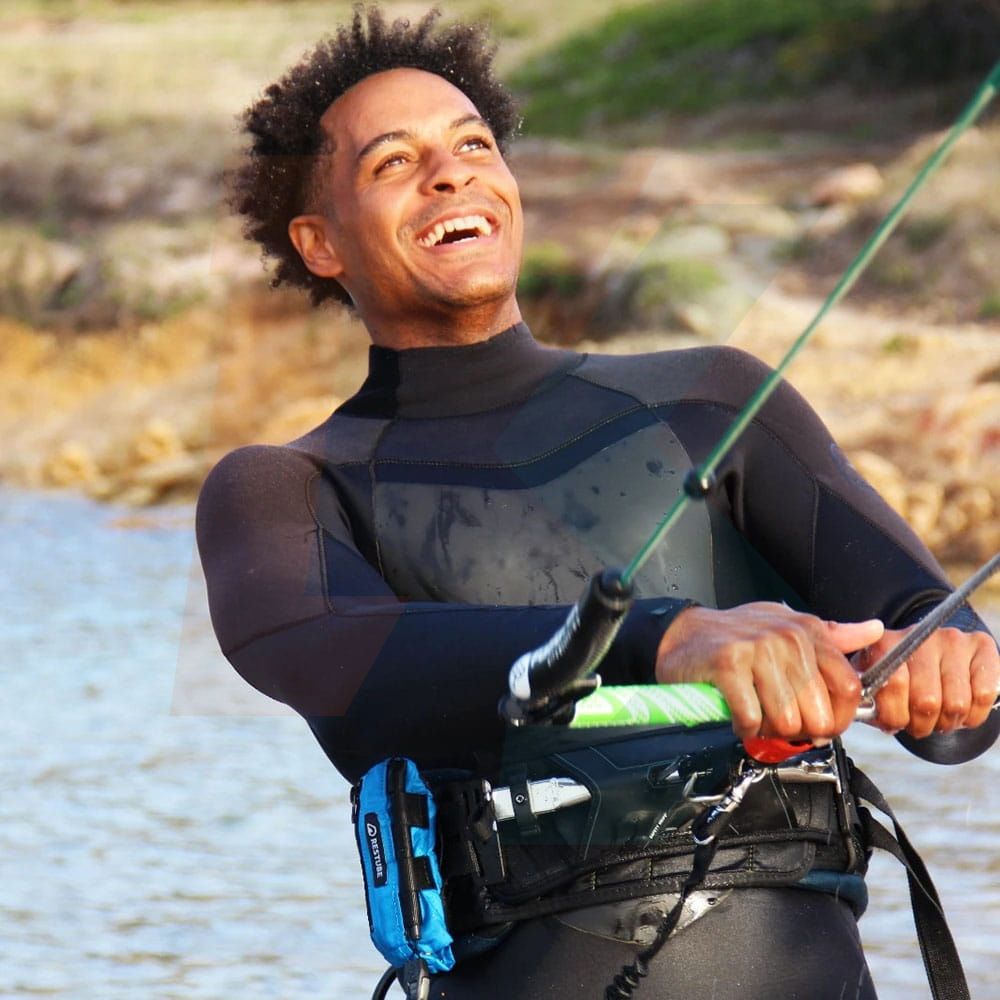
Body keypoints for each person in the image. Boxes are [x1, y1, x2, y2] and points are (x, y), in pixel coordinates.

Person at [197, 8, 1000, 998]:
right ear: (320, 242)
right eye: (394, 162)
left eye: (474, 146)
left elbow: (941, 666)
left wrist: (949, 657)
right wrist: (670, 637)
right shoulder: (285, 487)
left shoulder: (713, 399)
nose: (450, 175)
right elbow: (327, 653)